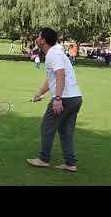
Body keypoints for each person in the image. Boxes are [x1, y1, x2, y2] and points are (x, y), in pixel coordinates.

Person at [27, 28, 83, 173]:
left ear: (43, 40)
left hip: (65, 98)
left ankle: (44, 159)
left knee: (47, 126)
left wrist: (57, 98)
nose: (37, 38)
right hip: (75, 98)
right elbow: (51, 78)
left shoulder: (54, 53)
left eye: (39, 36)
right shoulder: (55, 52)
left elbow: (60, 75)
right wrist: (39, 93)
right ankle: (71, 164)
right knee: (65, 131)